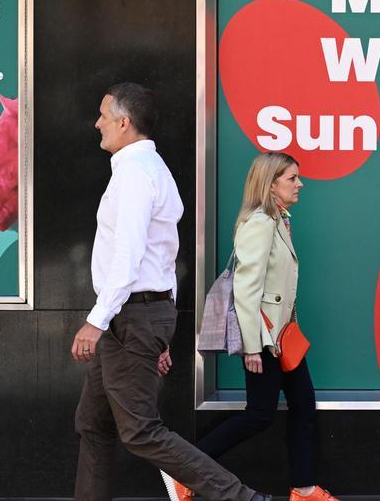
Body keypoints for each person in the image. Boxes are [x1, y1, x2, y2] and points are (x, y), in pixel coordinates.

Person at [72, 82, 269, 501]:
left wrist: (96, 322)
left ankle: (241, 498)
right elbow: (163, 256)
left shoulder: (137, 175)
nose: (97, 124)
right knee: (94, 423)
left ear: (124, 123)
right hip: (136, 316)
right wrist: (157, 327)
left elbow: (128, 256)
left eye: (104, 116)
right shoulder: (147, 170)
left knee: (141, 431)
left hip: (128, 316)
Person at [167, 152, 339, 501]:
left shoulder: (277, 221)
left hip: (282, 336)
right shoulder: (260, 223)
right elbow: (247, 290)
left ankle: (304, 490)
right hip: (264, 339)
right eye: (292, 178)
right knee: (259, 415)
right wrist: (253, 346)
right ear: (271, 183)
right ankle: (182, 470)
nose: (299, 184)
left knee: (303, 405)